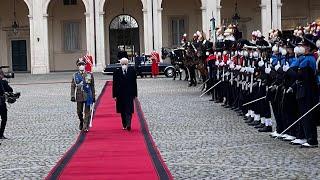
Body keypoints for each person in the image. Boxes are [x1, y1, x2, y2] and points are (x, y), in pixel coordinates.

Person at [113, 58, 138, 131]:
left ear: (127, 64)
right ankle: (124, 123)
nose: (124, 65)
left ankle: (129, 124)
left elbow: (134, 83)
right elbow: (114, 84)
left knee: (129, 110)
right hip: (120, 94)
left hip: (129, 94)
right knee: (123, 110)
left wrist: (135, 94)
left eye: (125, 64)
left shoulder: (132, 71)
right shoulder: (117, 72)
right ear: (120, 64)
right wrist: (114, 95)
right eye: (122, 64)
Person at [71, 58, 96, 132]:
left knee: (87, 112)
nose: (81, 66)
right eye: (80, 65)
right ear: (78, 66)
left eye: (82, 64)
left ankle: (85, 126)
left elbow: (92, 86)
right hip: (79, 96)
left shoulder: (89, 74)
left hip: (88, 95)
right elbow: (73, 86)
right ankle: (81, 121)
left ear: (85, 65)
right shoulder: (75, 75)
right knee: (79, 111)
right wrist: (72, 95)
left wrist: (93, 96)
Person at [0, 69, 13, 139]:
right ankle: (1, 134)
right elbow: (10, 90)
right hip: (1, 103)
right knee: (4, 118)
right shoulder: (3, 82)